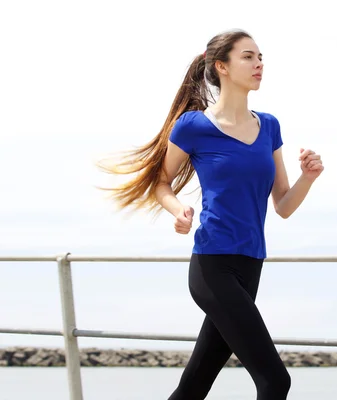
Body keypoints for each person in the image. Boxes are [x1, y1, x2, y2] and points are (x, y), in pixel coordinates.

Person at [97, 29, 324, 399]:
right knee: (275, 379)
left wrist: (309, 178)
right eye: (248, 57)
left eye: (261, 57)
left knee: (195, 384)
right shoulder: (194, 127)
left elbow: (282, 205)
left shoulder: (269, 126)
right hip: (212, 265)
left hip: (251, 264)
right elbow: (161, 181)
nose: (259, 64)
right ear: (221, 66)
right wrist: (178, 210)